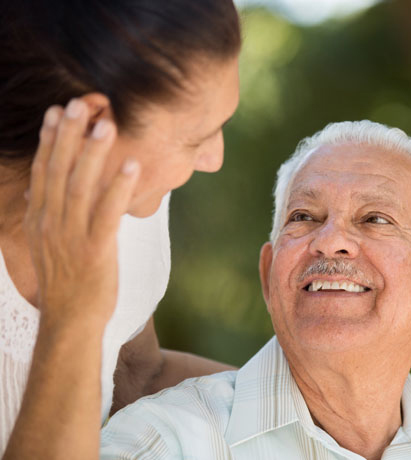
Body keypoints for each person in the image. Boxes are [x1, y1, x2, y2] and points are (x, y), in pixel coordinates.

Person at [100, 121, 411, 459]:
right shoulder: (159, 443)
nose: (329, 240)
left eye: (375, 219)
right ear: (268, 276)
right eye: (304, 216)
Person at [0, 0, 240, 457]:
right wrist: (73, 317)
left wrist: (383, 414)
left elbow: (137, 373)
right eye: (196, 137)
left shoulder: (128, 192)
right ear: (93, 125)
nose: (214, 160)